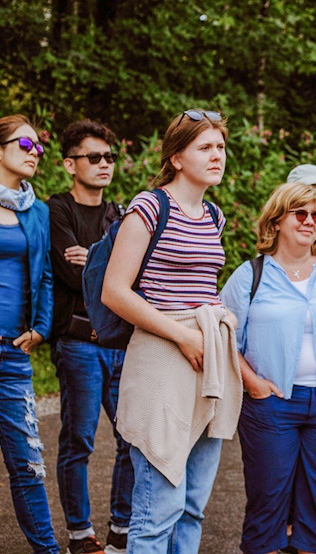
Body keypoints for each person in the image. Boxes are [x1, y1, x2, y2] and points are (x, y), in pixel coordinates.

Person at [101, 109, 242, 554]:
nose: (217, 155)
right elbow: (115, 292)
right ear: (177, 157)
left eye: (220, 146)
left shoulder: (214, 215)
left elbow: (203, 288)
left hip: (207, 359)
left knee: (193, 506)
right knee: (157, 510)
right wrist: (182, 336)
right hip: (163, 357)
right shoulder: (148, 206)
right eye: (205, 147)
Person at [220, 181, 316, 554]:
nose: (310, 221)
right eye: (300, 213)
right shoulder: (249, 276)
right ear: (277, 220)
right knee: (268, 500)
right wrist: (253, 384)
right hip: (272, 405)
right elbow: (224, 341)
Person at [47, 119, 133, 554]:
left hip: (119, 343)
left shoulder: (119, 214)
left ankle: (121, 529)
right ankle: (81, 535)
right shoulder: (56, 210)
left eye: (110, 157)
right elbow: (68, 270)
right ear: (69, 163)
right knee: (78, 439)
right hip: (78, 341)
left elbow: (134, 275)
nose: (104, 165)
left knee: (130, 438)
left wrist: (96, 261)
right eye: (94, 157)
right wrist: (108, 265)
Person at [0, 114, 60, 554]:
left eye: (38, 146)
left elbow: (46, 278)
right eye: (24, 145)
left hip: (12, 358)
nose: (35, 152)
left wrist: (41, 327)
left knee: (28, 465)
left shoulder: (37, 212)